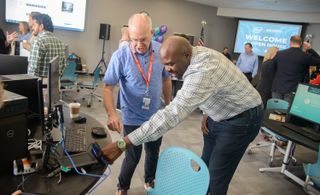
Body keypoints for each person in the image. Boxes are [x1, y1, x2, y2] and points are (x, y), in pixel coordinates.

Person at [101, 36, 263, 195]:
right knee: (204, 171)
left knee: (215, 179)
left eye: (171, 64)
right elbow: (218, 84)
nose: (168, 70)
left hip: (242, 120)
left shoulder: (202, 71)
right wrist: (208, 111)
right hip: (219, 115)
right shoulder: (194, 55)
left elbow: (171, 115)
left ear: (186, 55)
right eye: (165, 65)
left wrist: (122, 144)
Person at [103, 13, 172, 195]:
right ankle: (122, 187)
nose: (139, 45)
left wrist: (170, 104)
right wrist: (112, 114)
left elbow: (166, 80)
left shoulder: (161, 51)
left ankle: (150, 181)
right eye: (135, 40)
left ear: (151, 33)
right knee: (132, 156)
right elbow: (108, 87)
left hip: (156, 115)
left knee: (153, 152)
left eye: (143, 39)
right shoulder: (121, 56)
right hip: (132, 115)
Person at [270, 35, 320, 103]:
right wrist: (310, 48)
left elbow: (271, 68)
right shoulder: (305, 56)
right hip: (292, 90)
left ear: (290, 42)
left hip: (277, 88)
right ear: (301, 43)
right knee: (287, 112)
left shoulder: (280, 53)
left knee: (275, 111)